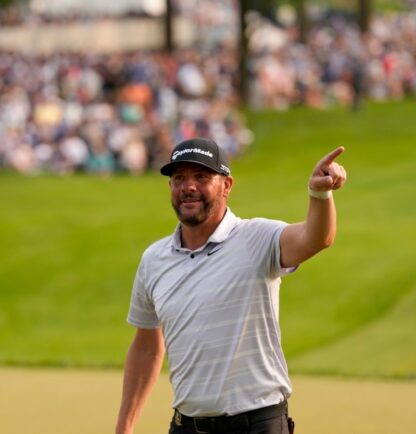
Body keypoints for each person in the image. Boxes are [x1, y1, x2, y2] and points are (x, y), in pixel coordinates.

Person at [115, 137, 347, 434]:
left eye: (201, 177)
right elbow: (146, 348)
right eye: (179, 178)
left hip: (257, 424)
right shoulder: (154, 260)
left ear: (227, 186)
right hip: (186, 425)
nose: (188, 187)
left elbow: (316, 238)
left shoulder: (256, 238)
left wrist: (319, 193)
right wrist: (124, 427)